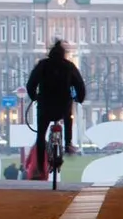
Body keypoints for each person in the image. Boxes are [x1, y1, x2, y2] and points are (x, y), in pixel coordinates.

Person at [26, 39, 88, 174]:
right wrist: (79, 99)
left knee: (41, 134)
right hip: (63, 105)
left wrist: (34, 97)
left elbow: (31, 84)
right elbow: (79, 85)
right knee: (68, 118)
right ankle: (67, 143)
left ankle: (40, 167)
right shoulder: (69, 66)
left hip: (45, 105)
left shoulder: (42, 65)